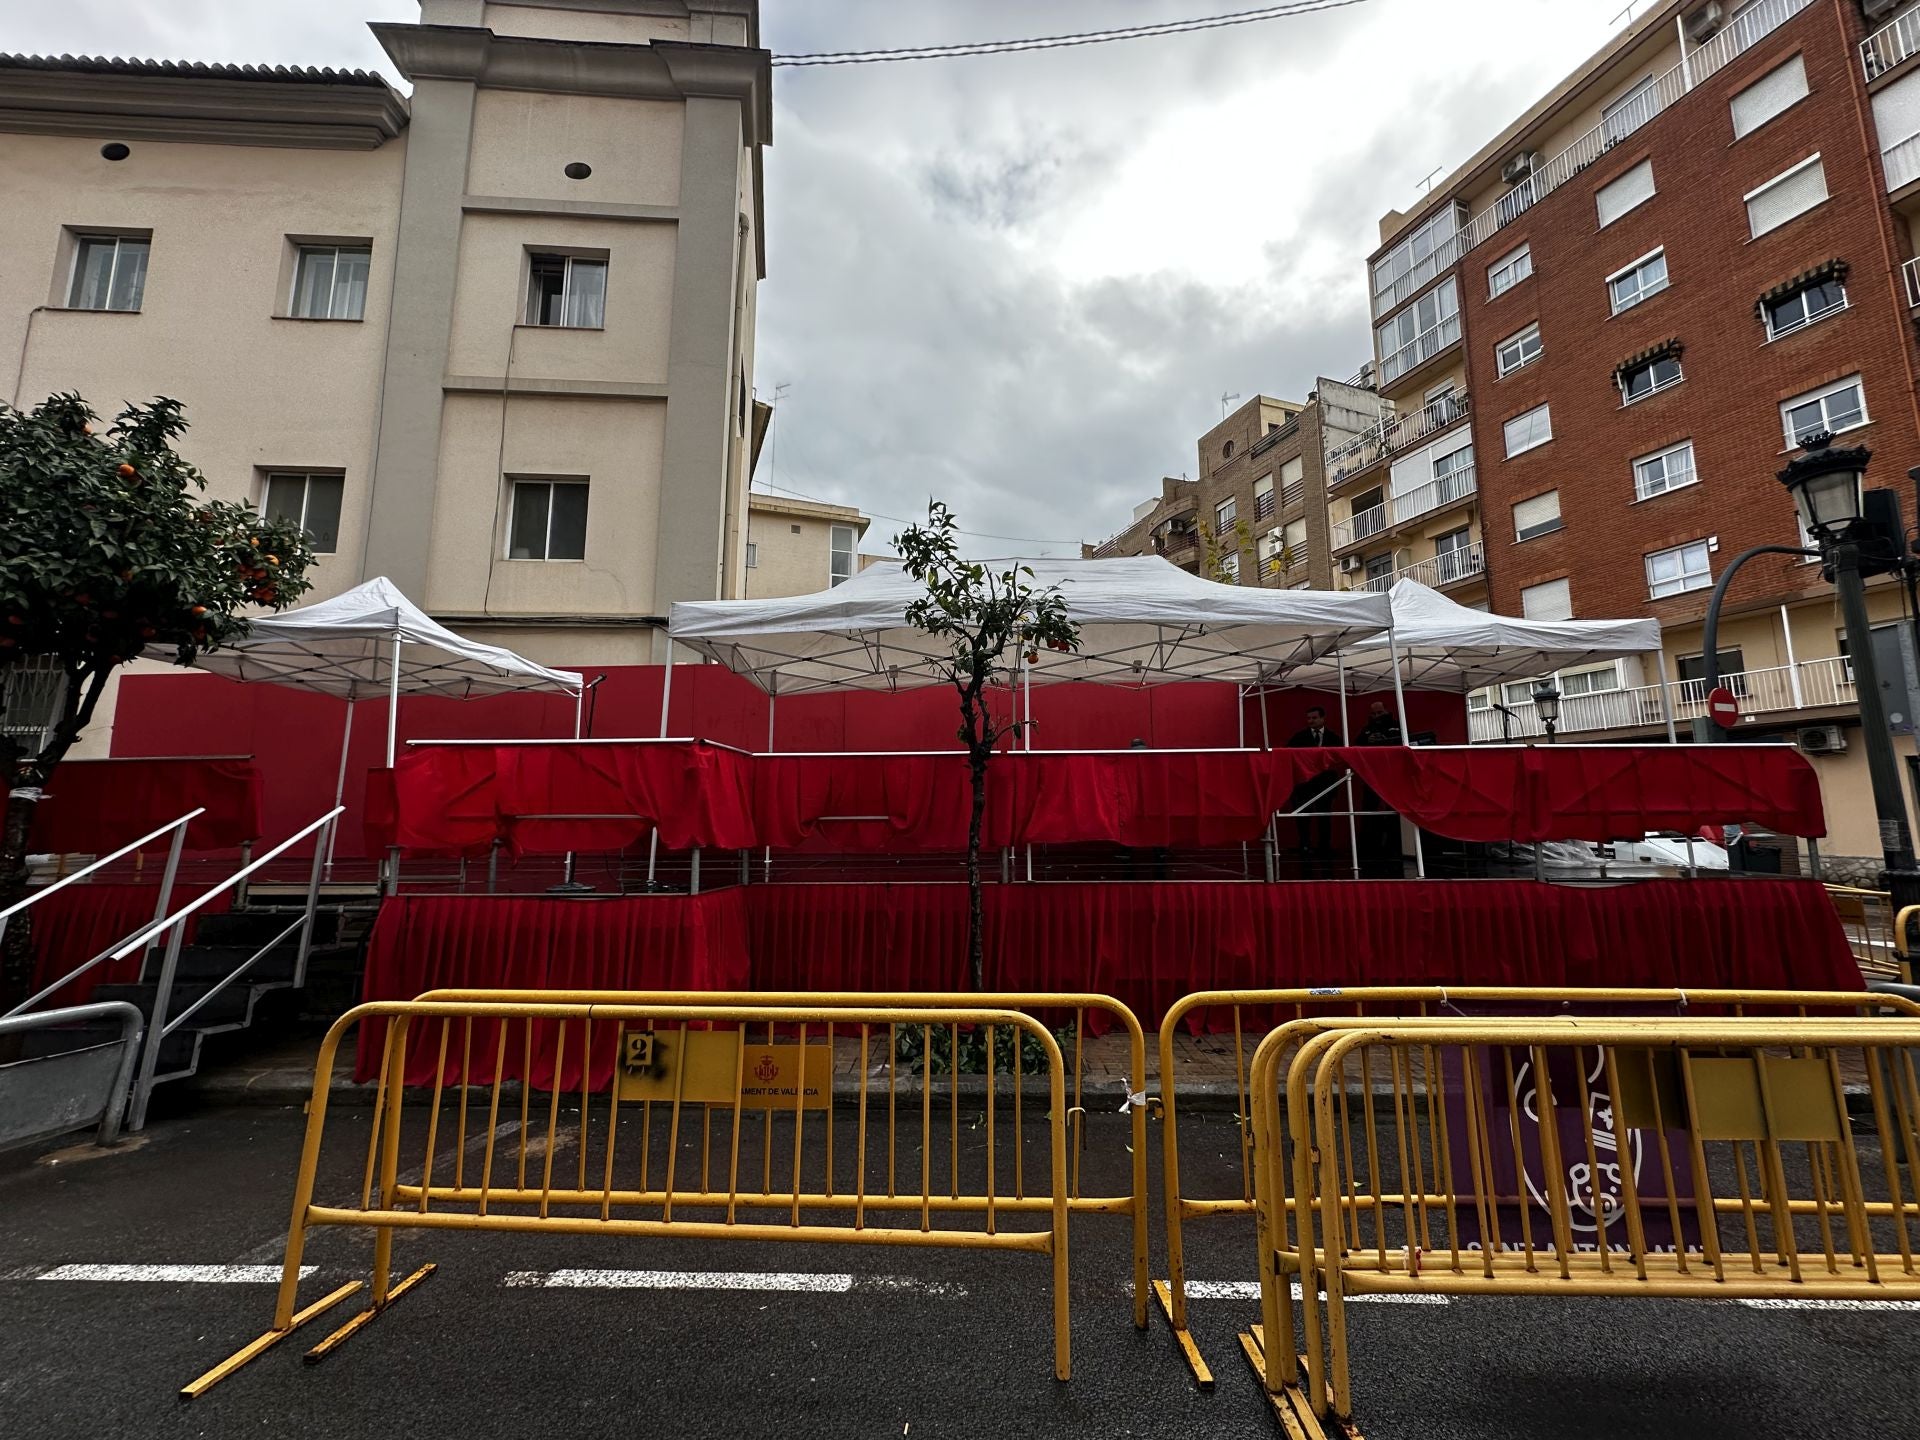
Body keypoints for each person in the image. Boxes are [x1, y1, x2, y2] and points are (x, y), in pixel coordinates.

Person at [1285, 706, 1342, 861]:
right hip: (1305, 784)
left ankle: (1325, 845)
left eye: (1314, 718)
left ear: (1322, 718)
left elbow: (1339, 756)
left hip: (1326, 783)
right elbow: (1289, 755)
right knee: (1303, 815)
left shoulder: (1333, 737)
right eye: (1309, 718)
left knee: (1324, 815)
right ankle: (1305, 844)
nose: (1311, 721)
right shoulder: (1299, 737)